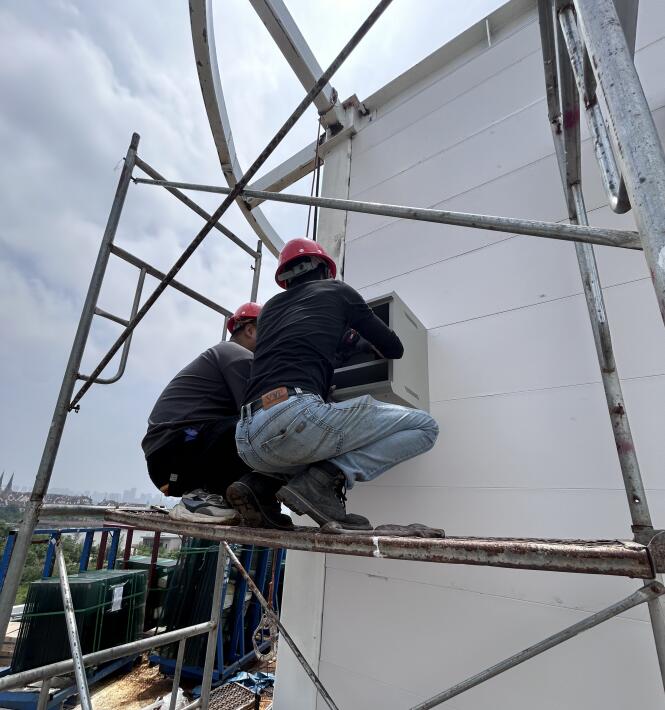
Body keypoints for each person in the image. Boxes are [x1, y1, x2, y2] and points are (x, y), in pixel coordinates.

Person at [228, 238, 439, 531]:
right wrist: (365, 343)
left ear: (286, 279)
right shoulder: (338, 291)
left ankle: (257, 485)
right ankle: (320, 484)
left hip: (246, 438)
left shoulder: (269, 311)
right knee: (426, 427)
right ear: (325, 270)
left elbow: (302, 342)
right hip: (292, 416)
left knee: (304, 451)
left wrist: (347, 343)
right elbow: (393, 348)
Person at [142, 301, 291, 526]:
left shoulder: (224, 355)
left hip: (174, 453)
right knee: (263, 425)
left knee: (254, 427)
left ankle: (223, 496)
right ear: (251, 330)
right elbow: (260, 411)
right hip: (175, 452)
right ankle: (199, 499)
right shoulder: (237, 354)